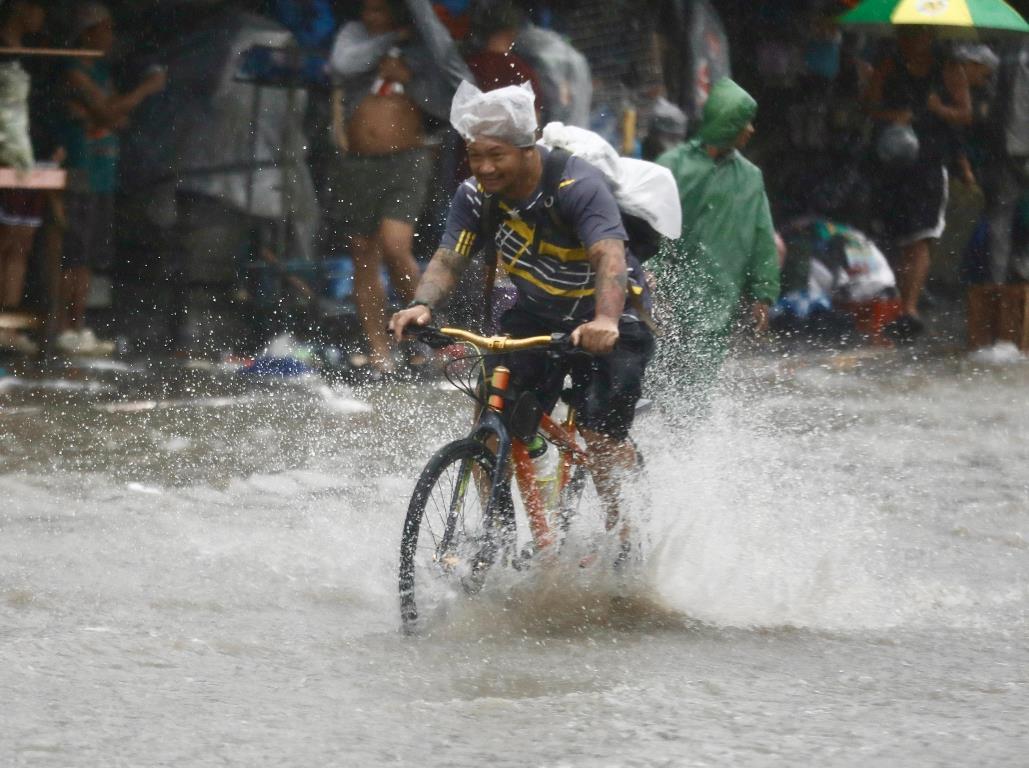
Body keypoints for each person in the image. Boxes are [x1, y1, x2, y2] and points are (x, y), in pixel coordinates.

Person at [389, 80, 654, 539]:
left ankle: (625, 531)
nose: (485, 167)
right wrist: (421, 305)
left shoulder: (577, 187)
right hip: (537, 316)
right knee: (490, 427)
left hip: (611, 317)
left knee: (598, 435)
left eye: (497, 155)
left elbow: (609, 256)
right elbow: (451, 256)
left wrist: (606, 320)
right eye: (475, 155)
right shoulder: (475, 195)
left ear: (527, 148)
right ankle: (497, 536)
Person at [327, 0, 470, 377]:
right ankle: (380, 353)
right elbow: (342, 65)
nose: (371, 16)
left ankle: (423, 337)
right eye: (367, 9)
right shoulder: (354, 37)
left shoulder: (424, 47)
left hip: (406, 159)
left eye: (380, 9)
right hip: (358, 162)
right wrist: (388, 40)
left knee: (395, 245)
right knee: (362, 252)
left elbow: (445, 98)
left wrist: (408, 77)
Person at [651, 77, 780, 417]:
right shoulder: (672, 166)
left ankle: (687, 451)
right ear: (726, 121)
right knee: (652, 380)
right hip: (664, 294)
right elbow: (648, 226)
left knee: (697, 388)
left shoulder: (750, 177)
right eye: (743, 121)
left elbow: (762, 234)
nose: (750, 130)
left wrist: (763, 293)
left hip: (717, 300)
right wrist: (648, 275)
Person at [56, 2, 167, 354]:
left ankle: (78, 325)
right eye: (105, 29)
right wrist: (145, 90)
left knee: (88, 256)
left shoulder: (101, 72)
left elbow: (114, 118)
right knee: (71, 253)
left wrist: (107, 114)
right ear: (88, 32)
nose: (110, 37)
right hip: (81, 169)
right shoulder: (74, 71)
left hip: (103, 173)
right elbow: (108, 112)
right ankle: (62, 325)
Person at [863, 27, 971, 341]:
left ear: (930, 36)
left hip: (930, 160)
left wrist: (939, 110)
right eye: (905, 35)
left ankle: (909, 307)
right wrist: (892, 114)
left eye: (917, 35)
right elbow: (868, 104)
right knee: (900, 236)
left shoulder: (948, 68)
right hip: (893, 160)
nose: (910, 41)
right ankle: (901, 302)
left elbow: (965, 113)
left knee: (922, 236)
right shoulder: (888, 64)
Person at [0, 0, 47, 354]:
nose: (41, 14)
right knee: (7, 240)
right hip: (7, 153)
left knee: (20, 242)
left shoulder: (27, 52)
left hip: (23, 156)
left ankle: (8, 321)